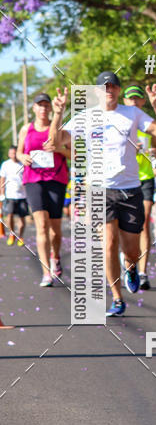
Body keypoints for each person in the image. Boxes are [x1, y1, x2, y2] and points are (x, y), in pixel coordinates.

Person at [49, 72, 156, 316]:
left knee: (132, 250)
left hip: (130, 189)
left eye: (114, 86)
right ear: (96, 91)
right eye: (105, 87)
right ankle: (117, 299)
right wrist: (57, 113)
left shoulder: (132, 113)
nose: (110, 90)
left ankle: (133, 267)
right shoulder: (85, 117)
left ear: (118, 90)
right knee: (108, 244)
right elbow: (55, 141)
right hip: (99, 189)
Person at [17, 93, 69, 285]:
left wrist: (58, 149)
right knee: (41, 225)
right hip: (33, 179)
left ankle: (56, 257)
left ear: (50, 108)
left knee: (55, 230)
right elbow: (21, 152)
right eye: (40, 105)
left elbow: (74, 153)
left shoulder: (60, 130)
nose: (43, 109)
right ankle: (46, 271)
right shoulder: (26, 129)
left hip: (56, 179)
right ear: (34, 108)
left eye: (47, 105)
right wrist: (23, 158)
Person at [122, 83, 156, 289]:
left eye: (137, 98)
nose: (134, 102)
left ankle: (143, 271)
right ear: (124, 101)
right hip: (121, 180)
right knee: (124, 228)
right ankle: (128, 259)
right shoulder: (118, 122)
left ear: (142, 101)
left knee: (144, 224)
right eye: (130, 99)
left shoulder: (148, 123)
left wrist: (155, 155)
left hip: (144, 178)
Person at [0, 145, 28, 245]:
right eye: (11, 153)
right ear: (9, 154)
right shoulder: (5, 164)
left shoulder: (23, 164)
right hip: (10, 195)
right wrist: (2, 193)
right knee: (9, 215)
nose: (13, 155)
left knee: (22, 217)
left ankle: (20, 236)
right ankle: (12, 234)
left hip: (22, 195)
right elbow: (2, 179)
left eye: (15, 153)